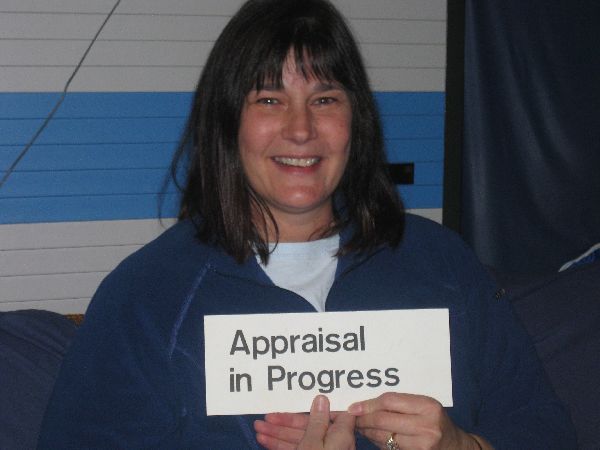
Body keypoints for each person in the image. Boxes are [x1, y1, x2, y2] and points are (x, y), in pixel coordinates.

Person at [37, 0, 576, 449]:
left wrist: (463, 447)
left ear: (355, 121)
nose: (301, 129)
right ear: (227, 123)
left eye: (324, 99)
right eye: (270, 99)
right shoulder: (146, 296)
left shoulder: (442, 262)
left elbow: (546, 430)